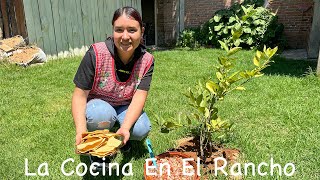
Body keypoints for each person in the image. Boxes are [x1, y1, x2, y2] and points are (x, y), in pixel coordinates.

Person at [71, 6, 154, 171]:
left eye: (132, 30)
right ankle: (98, 151)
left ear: (141, 31)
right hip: (98, 104)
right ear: (113, 30)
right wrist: (81, 130)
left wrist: (125, 128)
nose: (125, 37)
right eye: (119, 30)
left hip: (125, 105)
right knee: (100, 115)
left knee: (141, 128)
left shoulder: (147, 60)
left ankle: (120, 137)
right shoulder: (96, 53)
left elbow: (139, 97)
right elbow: (80, 96)